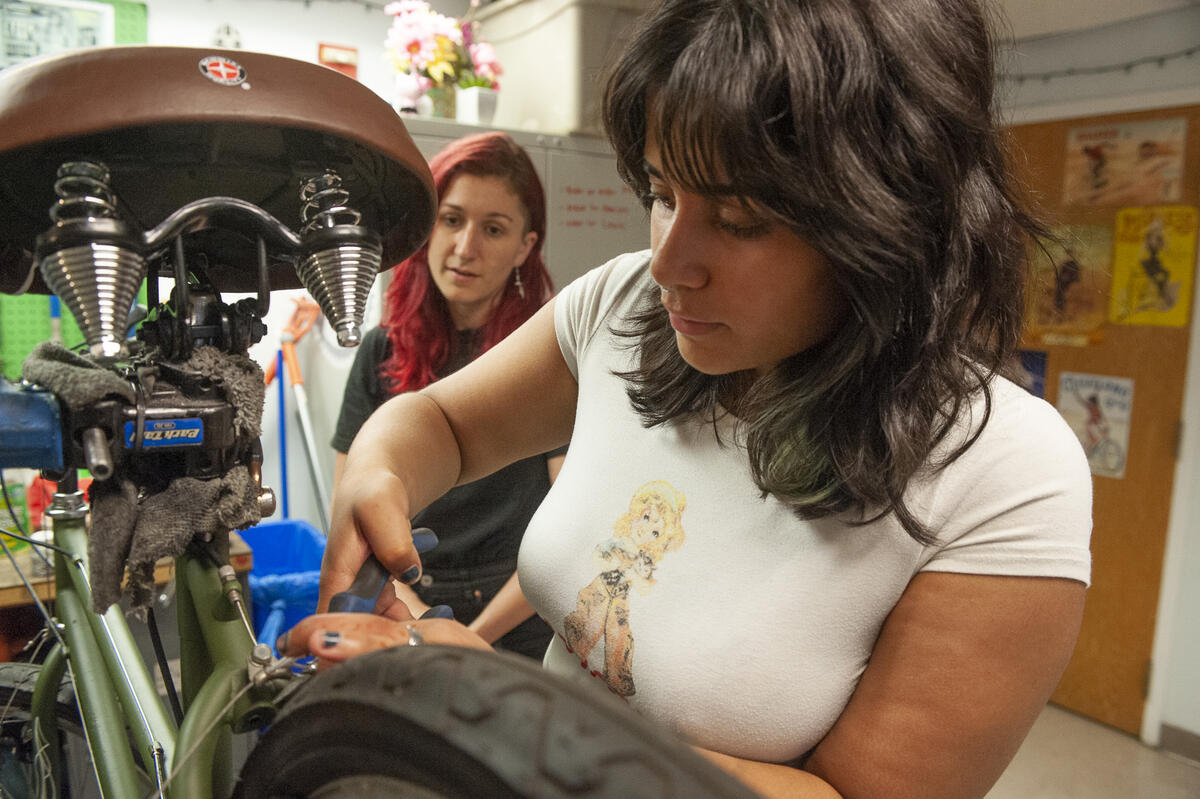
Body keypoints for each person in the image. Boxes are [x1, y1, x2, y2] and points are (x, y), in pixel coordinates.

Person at [296, 2, 1093, 797]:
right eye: (663, 193)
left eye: (740, 219)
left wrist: (504, 711)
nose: (670, 261)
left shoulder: (1003, 473)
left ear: (889, 220)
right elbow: (439, 424)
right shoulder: (623, 305)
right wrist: (378, 471)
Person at [329, 130, 562, 661]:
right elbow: (350, 505)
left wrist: (474, 640)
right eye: (451, 220)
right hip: (403, 607)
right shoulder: (379, 352)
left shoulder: (549, 358)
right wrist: (418, 623)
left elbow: (572, 525)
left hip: (522, 617)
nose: (464, 247)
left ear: (526, 247)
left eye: (494, 228)